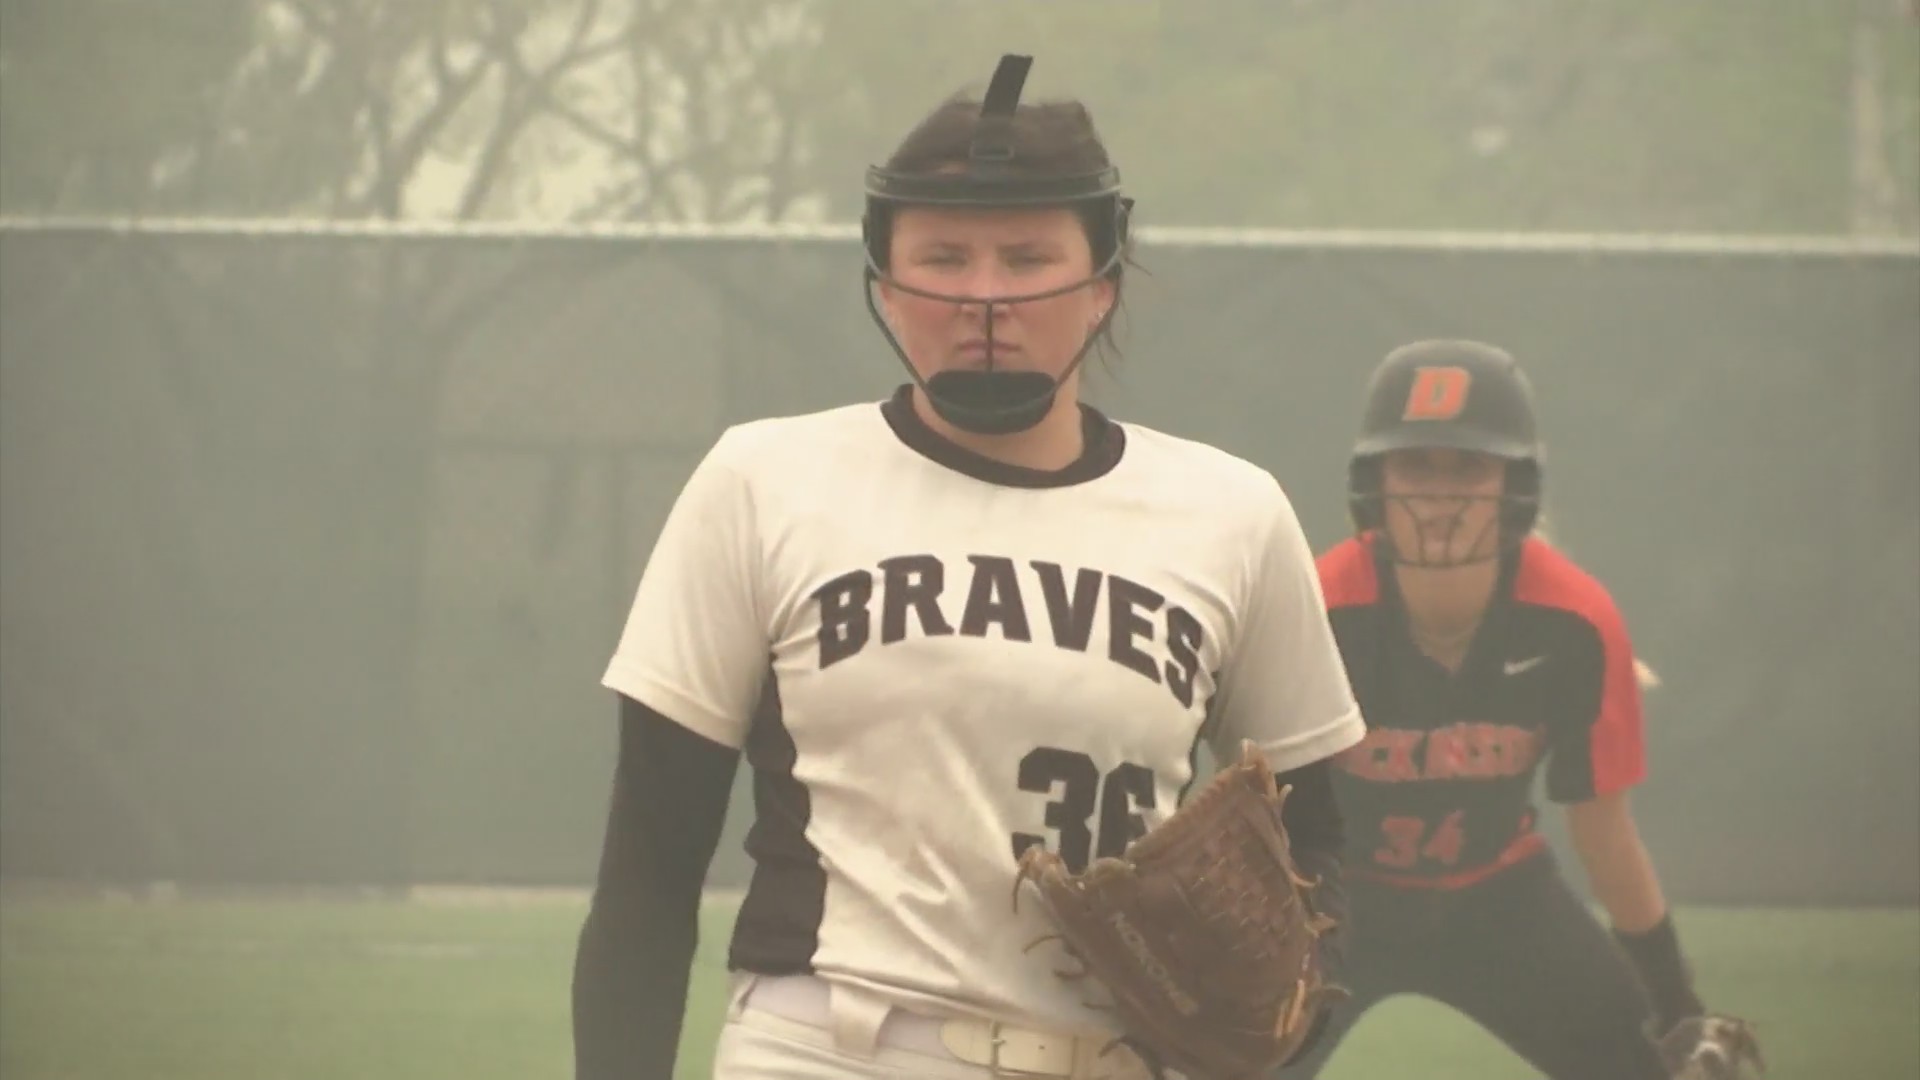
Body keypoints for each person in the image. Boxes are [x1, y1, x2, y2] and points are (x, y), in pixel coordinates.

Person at [571, 54, 1367, 1080]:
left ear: (1102, 286)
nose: (984, 296)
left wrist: (1277, 1052)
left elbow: (1325, 854)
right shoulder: (764, 480)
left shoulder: (1232, 512)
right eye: (943, 257)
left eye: (1028, 257)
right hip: (828, 1047)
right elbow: (647, 868)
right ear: (886, 286)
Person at [1280, 339, 1746, 1079]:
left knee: (1652, 1068)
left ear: (1515, 487)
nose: (1438, 495)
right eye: (1416, 465)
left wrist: (1677, 1005)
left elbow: (1605, 835)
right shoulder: (1318, 611)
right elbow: (1268, 816)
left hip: (1499, 902)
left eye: (1466, 466)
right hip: (1340, 909)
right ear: (1374, 483)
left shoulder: (1574, 622)